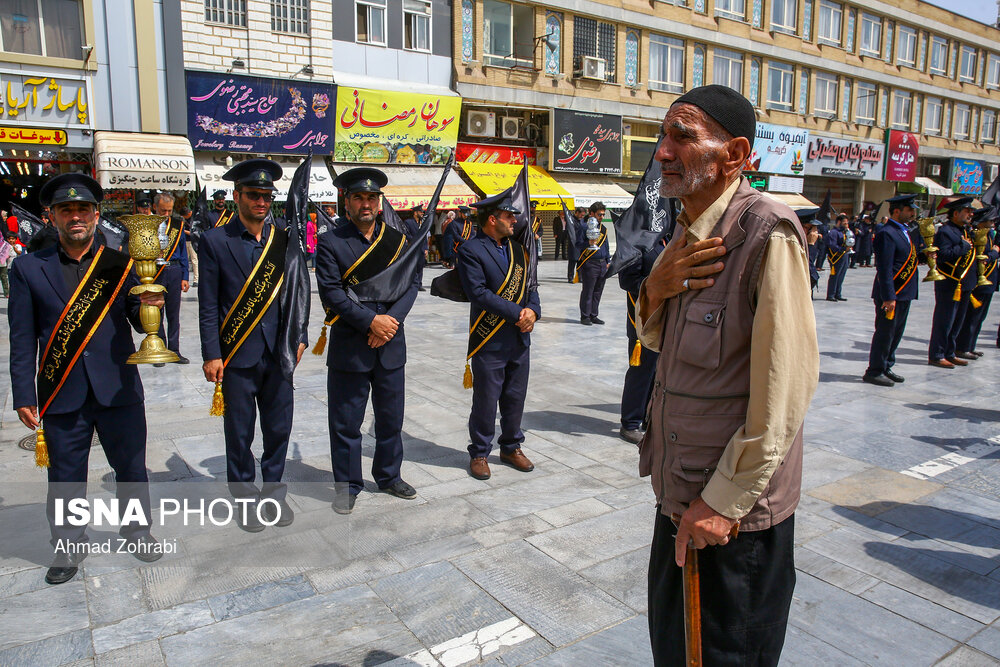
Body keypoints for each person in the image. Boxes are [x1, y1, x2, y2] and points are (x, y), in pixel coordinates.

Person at [635, 85, 818, 666]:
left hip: (731, 522)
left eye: (682, 137)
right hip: (680, 499)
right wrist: (654, 288)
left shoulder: (766, 232)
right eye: (663, 135)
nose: (662, 151)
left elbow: (785, 394)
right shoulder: (685, 234)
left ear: (734, 155)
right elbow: (654, 340)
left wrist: (723, 502)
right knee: (675, 651)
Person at [8, 174, 166, 585]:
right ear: (53, 217)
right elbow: (23, 336)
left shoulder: (120, 263)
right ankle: (68, 546)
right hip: (62, 388)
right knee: (65, 475)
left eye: (82, 209)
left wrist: (151, 307)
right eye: (66, 210)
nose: (75, 217)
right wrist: (24, 392)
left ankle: (137, 531)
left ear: (96, 215)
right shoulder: (27, 268)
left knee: (131, 468)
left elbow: (137, 319)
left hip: (118, 385)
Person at [198, 159, 306, 531]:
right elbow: (209, 304)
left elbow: (297, 293)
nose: (261, 202)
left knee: (279, 430)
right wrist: (211, 353)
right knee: (239, 433)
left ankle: (274, 495)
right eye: (254, 195)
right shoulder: (215, 241)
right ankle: (245, 500)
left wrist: (301, 335)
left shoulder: (284, 239)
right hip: (237, 356)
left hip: (279, 355)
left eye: (266, 196)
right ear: (237, 196)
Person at [315, 167, 420, 514]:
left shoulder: (398, 239)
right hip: (351, 344)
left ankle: (389, 476)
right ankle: (347, 485)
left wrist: (389, 323)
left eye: (372, 197)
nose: (366, 203)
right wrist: (371, 322)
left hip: (390, 341)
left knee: (391, 419)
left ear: (380, 202)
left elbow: (410, 284)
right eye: (358, 197)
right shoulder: (331, 241)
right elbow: (331, 293)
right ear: (347, 202)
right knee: (346, 422)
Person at [457, 191, 540, 481]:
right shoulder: (470, 250)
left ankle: (511, 446)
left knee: (515, 396)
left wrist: (533, 312)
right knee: (486, 399)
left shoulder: (519, 249)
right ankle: (479, 452)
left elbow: (531, 286)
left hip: (519, 338)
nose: (514, 220)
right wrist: (518, 313)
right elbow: (478, 293)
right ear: (492, 219)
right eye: (508, 216)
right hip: (489, 338)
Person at [863, 195, 920, 387]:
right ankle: (875, 370)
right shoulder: (886, 233)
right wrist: (889, 296)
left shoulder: (904, 232)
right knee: (885, 332)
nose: (913, 213)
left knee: (896, 332)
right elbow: (885, 267)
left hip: (904, 292)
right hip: (891, 294)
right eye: (909, 209)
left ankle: (886, 365)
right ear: (897, 211)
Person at [618, 239, 667, 444]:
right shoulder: (635, 243)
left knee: (657, 371)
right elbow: (627, 280)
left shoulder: (669, 239)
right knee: (641, 371)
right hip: (643, 317)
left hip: (663, 316)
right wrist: (654, 285)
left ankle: (648, 417)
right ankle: (630, 422)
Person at [928, 197, 976, 368]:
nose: (971, 214)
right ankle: (937, 354)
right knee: (945, 320)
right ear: (955, 213)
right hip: (950, 284)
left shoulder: (964, 231)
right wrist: (963, 247)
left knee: (957, 321)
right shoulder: (945, 231)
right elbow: (943, 256)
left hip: (964, 284)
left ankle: (950, 351)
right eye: (967, 211)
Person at [151, 193, 190, 365]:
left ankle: (174, 350)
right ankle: (159, 350)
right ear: (155, 208)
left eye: (169, 211)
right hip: (155, 271)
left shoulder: (177, 225)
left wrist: (185, 276)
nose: (166, 215)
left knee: (173, 313)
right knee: (156, 313)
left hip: (174, 269)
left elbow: (183, 252)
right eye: (162, 211)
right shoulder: (147, 225)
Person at [955, 207, 999, 359]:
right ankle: (962, 347)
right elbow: (983, 258)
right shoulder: (975, 236)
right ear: (981, 222)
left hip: (988, 283)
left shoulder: (988, 235)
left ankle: (970, 346)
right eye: (989, 220)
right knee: (971, 317)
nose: (992, 223)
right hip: (978, 284)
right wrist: (995, 252)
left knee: (979, 318)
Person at [575, 202, 610, 325]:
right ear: (592, 213)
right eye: (599, 214)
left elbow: (606, 245)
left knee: (598, 291)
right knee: (588, 291)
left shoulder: (603, 229)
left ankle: (594, 315)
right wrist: (588, 244)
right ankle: (585, 316)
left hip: (602, 264)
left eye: (603, 215)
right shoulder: (584, 227)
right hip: (590, 263)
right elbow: (577, 244)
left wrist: (608, 261)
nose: (601, 217)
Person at [825, 214, 850, 301]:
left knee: (841, 275)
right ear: (839, 222)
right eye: (844, 223)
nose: (846, 225)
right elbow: (832, 245)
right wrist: (843, 248)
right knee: (835, 276)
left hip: (844, 256)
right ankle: (831, 294)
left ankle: (838, 293)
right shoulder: (833, 232)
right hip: (836, 257)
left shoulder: (844, 232)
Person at [566, 206, 586, 282]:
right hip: (573, 243)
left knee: (580, 262)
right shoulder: (571, 220)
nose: (582, 216)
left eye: (583, 215)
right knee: (572, 261)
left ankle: (579, 277)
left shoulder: (582, 221)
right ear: (577, 213)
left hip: (581, 243)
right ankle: (570, 277)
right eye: (581, 214)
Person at [180, 205, 199, 285]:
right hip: (185, 241)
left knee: (194, 260)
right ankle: (183, 278)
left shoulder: (194, 218)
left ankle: (196, 279)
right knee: (184, 260)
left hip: (192, 241)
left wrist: (183, 231)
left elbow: (194, 232)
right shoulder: (184, 219)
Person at [0, 232, 14, 297]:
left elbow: (8, 254)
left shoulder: (5, 245)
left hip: (3, 265)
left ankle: (6, 293)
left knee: (4, 279)